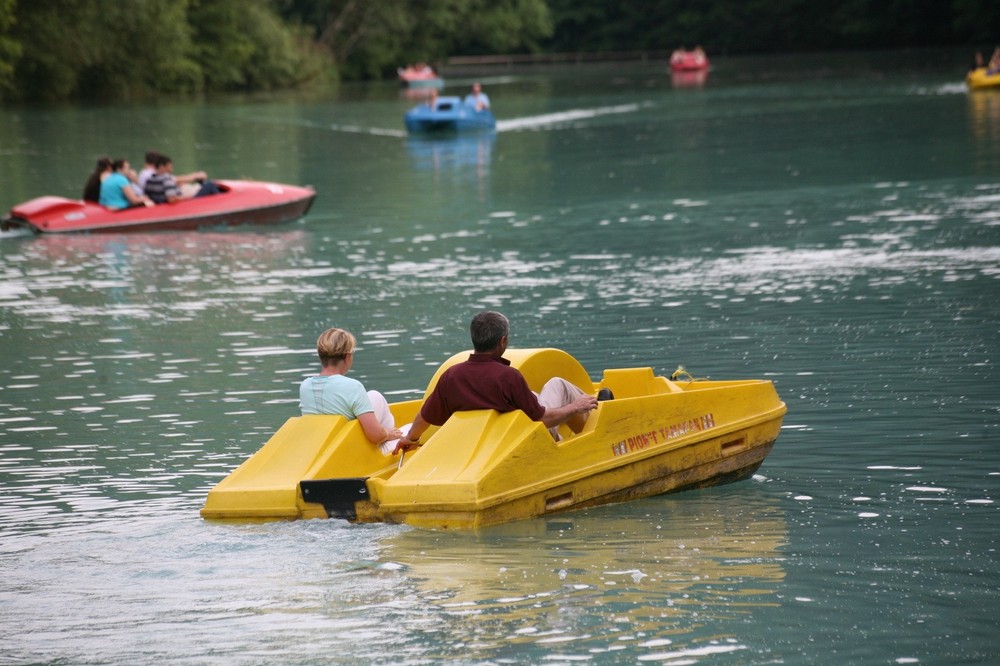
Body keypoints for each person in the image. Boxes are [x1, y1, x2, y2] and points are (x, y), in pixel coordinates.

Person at [395, 311, 598, 454]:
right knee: (558, 385)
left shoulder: (451, 377)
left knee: (535, 395)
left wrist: (410, 439)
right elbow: (542, 420)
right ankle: (593, 431)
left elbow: (425, 415)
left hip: (482, 445)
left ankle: (581, 417)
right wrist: (574, 407)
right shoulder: (508, 377)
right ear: (502, 342)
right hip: (521, 441)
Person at [299, 328, 403, 452]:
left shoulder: (305, 386)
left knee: (374, 397)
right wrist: (388, 434)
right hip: (351, 451)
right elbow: (375, 435)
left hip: (320, 449)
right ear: (348, 357)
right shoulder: (352, 387)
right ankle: (389, 445)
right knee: (377, 398)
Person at [143, 154, 220, 204]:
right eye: (169, 167)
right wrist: (187, 197)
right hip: (187, 204)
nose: (171, 170)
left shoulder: (150, 180)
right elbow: (171, 199)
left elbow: (152, 195)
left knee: (202, 185)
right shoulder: (166, 179)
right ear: (162, 167)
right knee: (210, 185)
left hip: (161, 203)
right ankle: (221, 203)